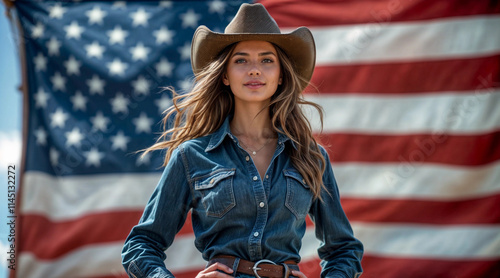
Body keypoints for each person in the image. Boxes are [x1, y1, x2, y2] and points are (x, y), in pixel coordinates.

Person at [121, 3, 363, 278]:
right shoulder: (192, 156)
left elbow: (344, 249)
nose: (255, 70)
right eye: (241, 60)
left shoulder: (311, 157)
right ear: (224, 75)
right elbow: (141, 245)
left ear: (281, 74)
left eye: (267, 60)